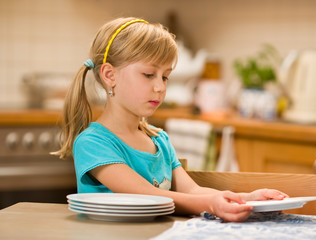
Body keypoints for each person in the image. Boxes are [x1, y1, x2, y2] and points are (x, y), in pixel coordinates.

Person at [53, 17, 288, 222]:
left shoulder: (159, 140)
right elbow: (145, 195)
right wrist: (212, 204)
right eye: (148, 75)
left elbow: (192, 191)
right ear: (109, 75)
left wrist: (247, 200)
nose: (159, 87)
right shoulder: (92, 143)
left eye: (165, 77)